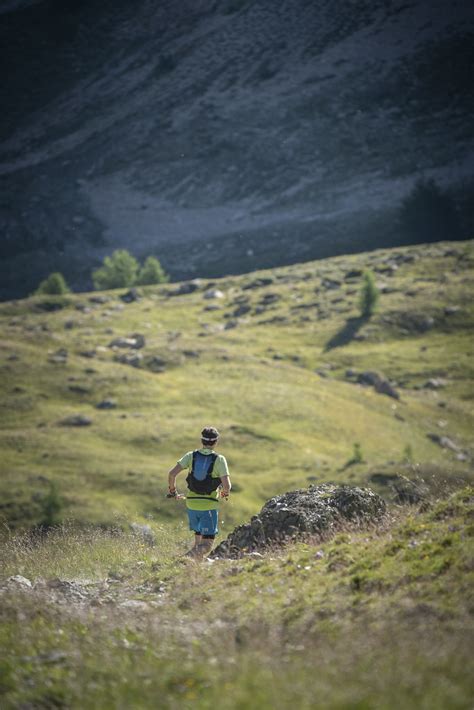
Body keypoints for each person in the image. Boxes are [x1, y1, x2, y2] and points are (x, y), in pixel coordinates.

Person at [167, 426, 231, 559]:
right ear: (216, 442)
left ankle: (192, 573)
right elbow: (227, 486)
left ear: (202, 440)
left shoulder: (191, 456)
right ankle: (182, 560)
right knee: (206, 546)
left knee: (198, 544)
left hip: (191, 505)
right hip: (209, 506)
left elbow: (172, 474)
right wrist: (225, 492)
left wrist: (173, 492)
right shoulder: (219, 459)